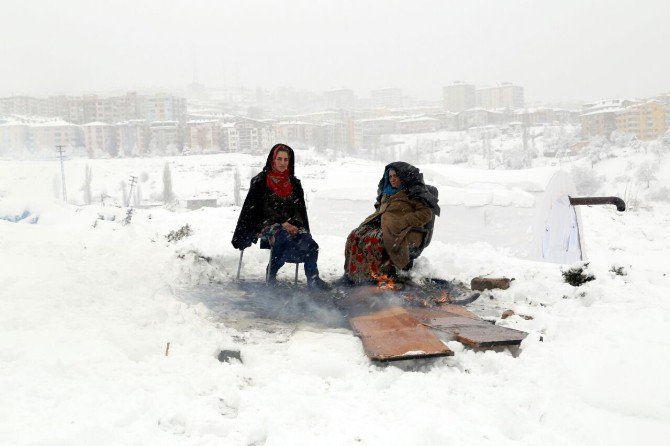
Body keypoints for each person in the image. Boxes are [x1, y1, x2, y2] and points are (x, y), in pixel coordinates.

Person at [232, 143, 329, 289]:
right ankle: (271, 273)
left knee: (310, 243)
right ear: (273, 159)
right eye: (279, 159)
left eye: (286, 160)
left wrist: (295, 224)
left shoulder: (294, 183)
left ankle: (313, 279)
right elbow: (262, 209)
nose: (282, 163)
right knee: (284, 238)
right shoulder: (261, 181)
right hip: (266, 222)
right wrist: (282, 223)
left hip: (291, 223)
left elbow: (298, 208)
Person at [344, 162, 440, 283]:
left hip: (407, 230)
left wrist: (401, 221)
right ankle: (355, 275)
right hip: (385, 225)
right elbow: (381, 210)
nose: (392, 179)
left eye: (396, 176)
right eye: (390, 177)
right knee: (355, 236)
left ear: (403, 176)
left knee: (375, 241)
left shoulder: (413, 193)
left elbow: (426, 214)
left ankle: (379, 277)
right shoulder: (387, 192)